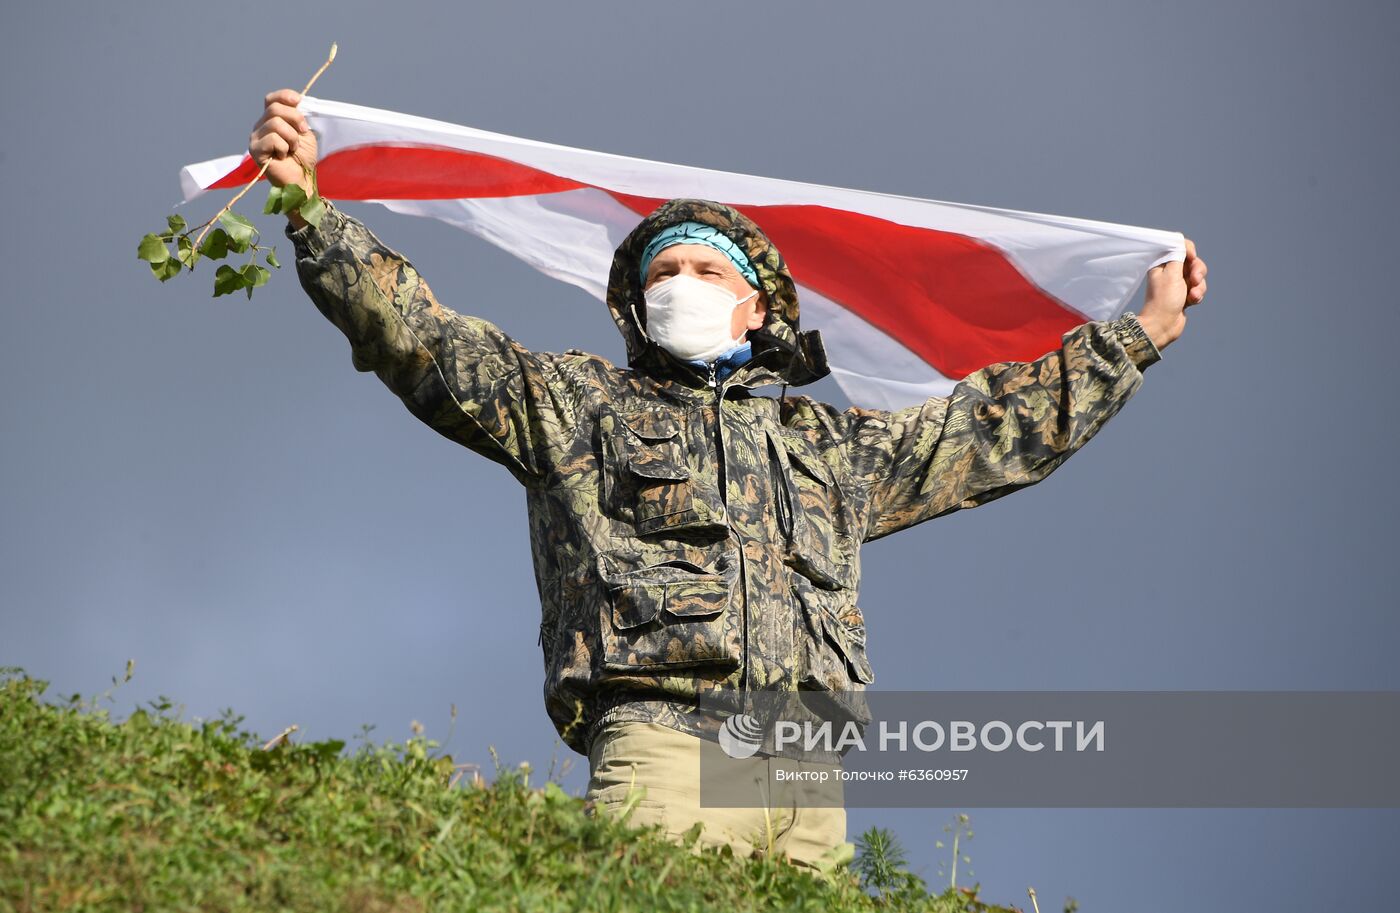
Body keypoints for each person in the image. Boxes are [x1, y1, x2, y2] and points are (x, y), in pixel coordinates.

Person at [249, 89, 1208, 871]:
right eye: (665, 269)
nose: (684, 282)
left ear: (756, 307)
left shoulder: (830, 446)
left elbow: (992, 427)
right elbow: (422, 337)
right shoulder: (576, 404)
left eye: (709, 268)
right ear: (632, 305)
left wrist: (1140, 335)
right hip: (661, 739)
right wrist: (310, 212)